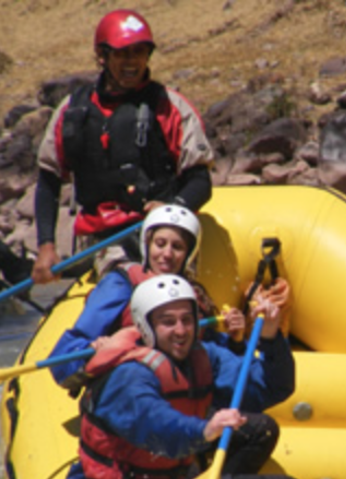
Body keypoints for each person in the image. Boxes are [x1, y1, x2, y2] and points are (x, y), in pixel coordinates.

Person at [66, 274, 305, 479]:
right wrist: (206, 429)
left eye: (187, 320)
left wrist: (270, 337)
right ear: (146, 326)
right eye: (168, 322)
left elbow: (270, 387)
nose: (181, 330)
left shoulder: (203, 357)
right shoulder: (128, 377)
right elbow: (160, 429)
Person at [32, 9, 214, 284]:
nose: (132, 62)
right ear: (102, 57)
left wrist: (169, 209)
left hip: (160, 241)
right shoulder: (72, 111)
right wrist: (46, 246)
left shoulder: (172, 108)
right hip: (101, 243)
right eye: (122, 53)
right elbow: (48, 181)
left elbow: (201, 181)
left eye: (139, 52)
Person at [48, 205, 245, 390]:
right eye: (160, 244)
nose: (167, 254)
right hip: (132, 392)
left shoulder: (192, 294)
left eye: (177, 247)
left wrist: (235, 339)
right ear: (147, 245)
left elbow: (210, 351)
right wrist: (93, 348)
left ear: (188, 254)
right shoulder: (120, 284)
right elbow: (64, 355)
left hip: (181, 394)